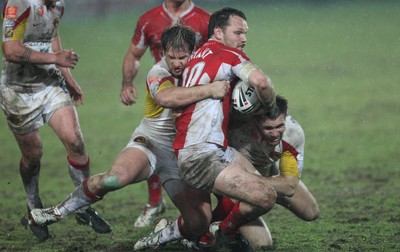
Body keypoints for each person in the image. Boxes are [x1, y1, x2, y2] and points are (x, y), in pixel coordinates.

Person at [28, 25, 231, 239]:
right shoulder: (158, 72)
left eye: (183, 57)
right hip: (150, 143)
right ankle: (58, 210)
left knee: (198, 222)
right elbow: (166, 97)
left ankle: (161, 234)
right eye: (172, 57)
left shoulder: (202, 70)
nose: (177, 63)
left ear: (193, 53)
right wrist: (209, 90)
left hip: (181, 156)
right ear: (163, 53)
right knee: (114, 179)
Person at [134, 7, 278, 252]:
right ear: (219, 32)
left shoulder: (195, 56)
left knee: (198, 221)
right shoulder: (229, 55)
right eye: (238, 32)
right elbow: (262, 82)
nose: (243, 38)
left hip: (196, 150)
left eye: (246, 33)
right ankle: (226, 231)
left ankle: (167, 234)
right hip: (200, 155)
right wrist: (270, 107)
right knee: (266, 196)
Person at [0, 0, 111, 241]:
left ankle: (83, 207)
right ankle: (33, 206)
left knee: (76, 143)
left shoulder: (58, 5)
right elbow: (10, 50)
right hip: (18, 92)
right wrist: (54, 58)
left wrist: (67, 78)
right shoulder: (19, 4)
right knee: (33, 156)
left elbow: (53, 38)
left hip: (50, 84)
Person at [119, 0, 211, 228]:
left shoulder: (205, 19)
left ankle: (203, 211)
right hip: (161, 89)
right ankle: (155, 203)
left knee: (190, 152)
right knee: (155, 141)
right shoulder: (148, 19)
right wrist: (127, 83)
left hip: (194, 93)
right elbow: (134, 54)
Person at [200, 95, 320, 249]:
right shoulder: (237, 133)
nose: (275, 133)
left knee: (310, 211)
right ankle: (220, 230)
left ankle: (218, 227)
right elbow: (229, 183)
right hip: (237, 184)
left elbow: (289, 186)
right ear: (255, 122)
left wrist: (257, 182)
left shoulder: (293, 133)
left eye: (279, 126)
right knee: (262, 244)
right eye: (268, 128)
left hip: (261, 177)